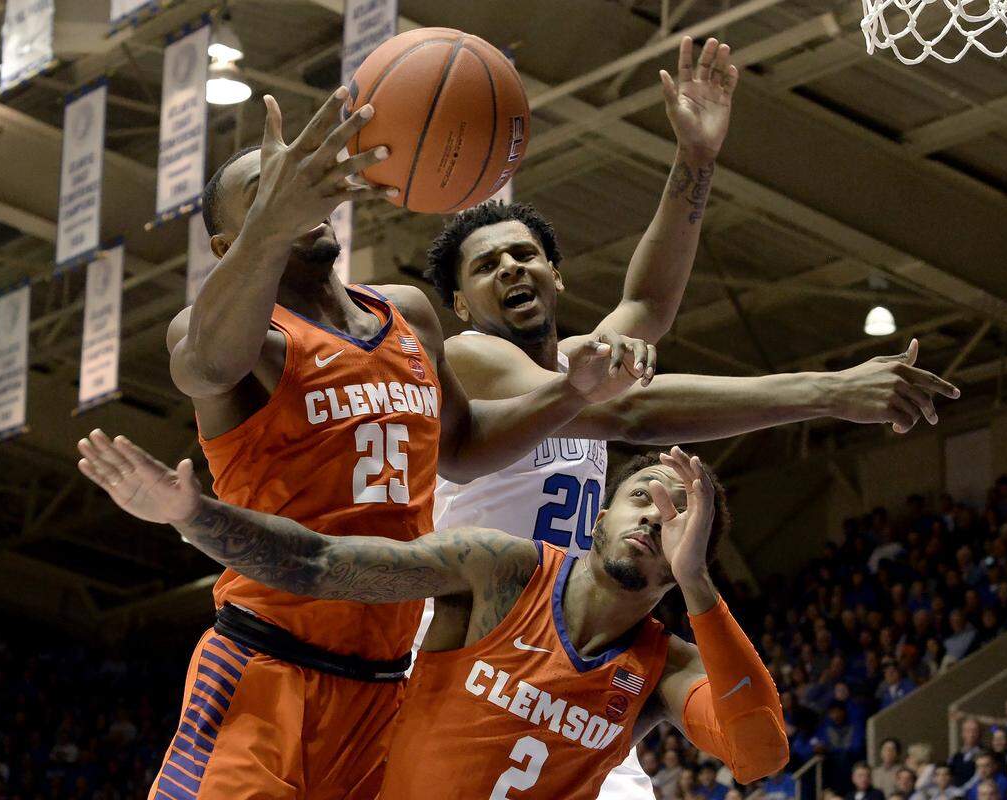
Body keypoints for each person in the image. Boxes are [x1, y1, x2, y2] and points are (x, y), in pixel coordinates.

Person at [421, 32, 956, 800]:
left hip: (569, 638)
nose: (511, 266)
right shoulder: (471, 358)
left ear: (557, 276)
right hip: (470, 644)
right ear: (462, 303)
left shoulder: (581, 360)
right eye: (487, 264)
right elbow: (631, 416)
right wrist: (828, 390)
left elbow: (648, 303)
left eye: (525, 254)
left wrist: (696, 161)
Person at [144, 85, 653, 800]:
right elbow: (204, 364)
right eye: (268, 192)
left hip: (385, 686)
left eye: (301, 182)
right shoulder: (235, 341)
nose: (297, 195)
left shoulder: (407, 313)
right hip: (267, 666)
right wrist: (272, 224)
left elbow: (464, 447)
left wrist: (569, 395)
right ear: (230, 244)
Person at [77, 434, 789, 799]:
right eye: (644, 496)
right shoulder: (502, 571)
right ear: (598, 517)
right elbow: (325, 564)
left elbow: (760, 756)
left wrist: (698, 584)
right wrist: (193, 517)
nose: (657, 517)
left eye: (680, 516)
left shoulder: (669, 667)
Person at [952, 719, 986, 786]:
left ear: (980, 733)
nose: (971, 734)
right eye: (967, 731)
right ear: (962, 734)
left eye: (974, 731)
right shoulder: (956, 756)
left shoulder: (985, 754)